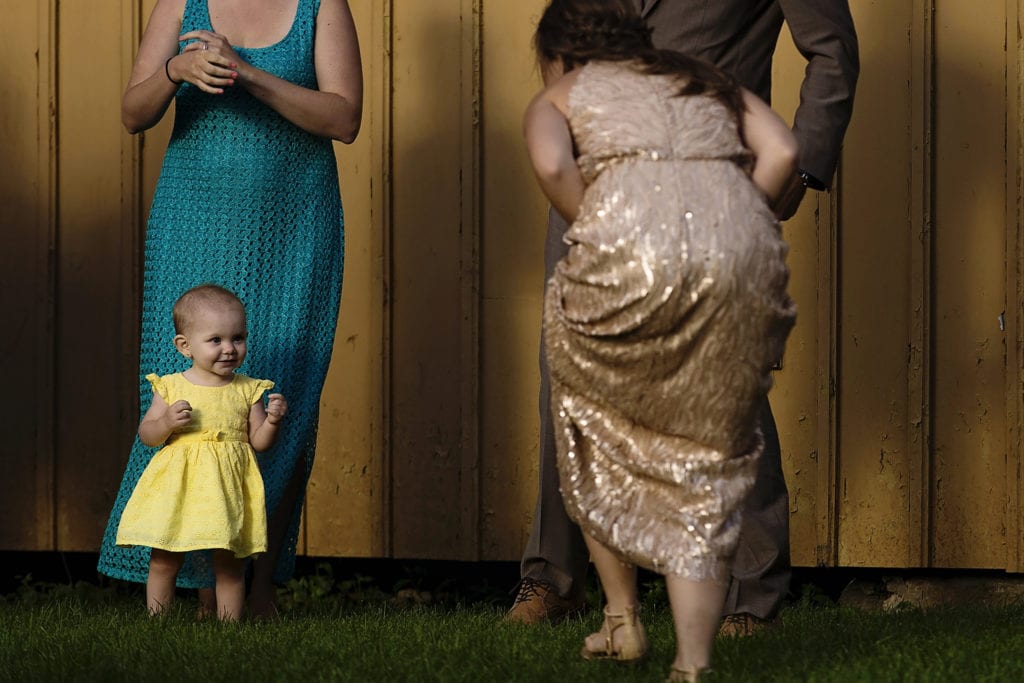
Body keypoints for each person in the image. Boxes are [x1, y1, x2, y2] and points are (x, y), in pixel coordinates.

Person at [508, 0, 859, 633]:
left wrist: (799, 169)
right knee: (569, 380)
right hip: (588, 189)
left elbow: (833, 47)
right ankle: (554, 577)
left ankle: (750, 595)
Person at [98, 0, 362, 618]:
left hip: (294, 223)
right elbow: (132, 114)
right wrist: (175, 72)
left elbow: (344, 118)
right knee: (190, 397)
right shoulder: (181, 5)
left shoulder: (321, 6)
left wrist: (248, 74)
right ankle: (192, 580)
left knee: (277, 397)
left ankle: (254, 585)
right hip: (194, 220)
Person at [116, 285, 288, 621]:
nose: (229, 349)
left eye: (237, 338)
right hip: (178, 487)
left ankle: (229, 627)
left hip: (225, 489)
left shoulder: (248, 389)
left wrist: (273, 421)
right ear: (185, 346)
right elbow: (147, 435)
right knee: (164, 558)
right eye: (216, 340)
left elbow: (259, 442)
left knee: (229, 561)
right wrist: (165, 421)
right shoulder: (171, 386)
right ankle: (158, 621)